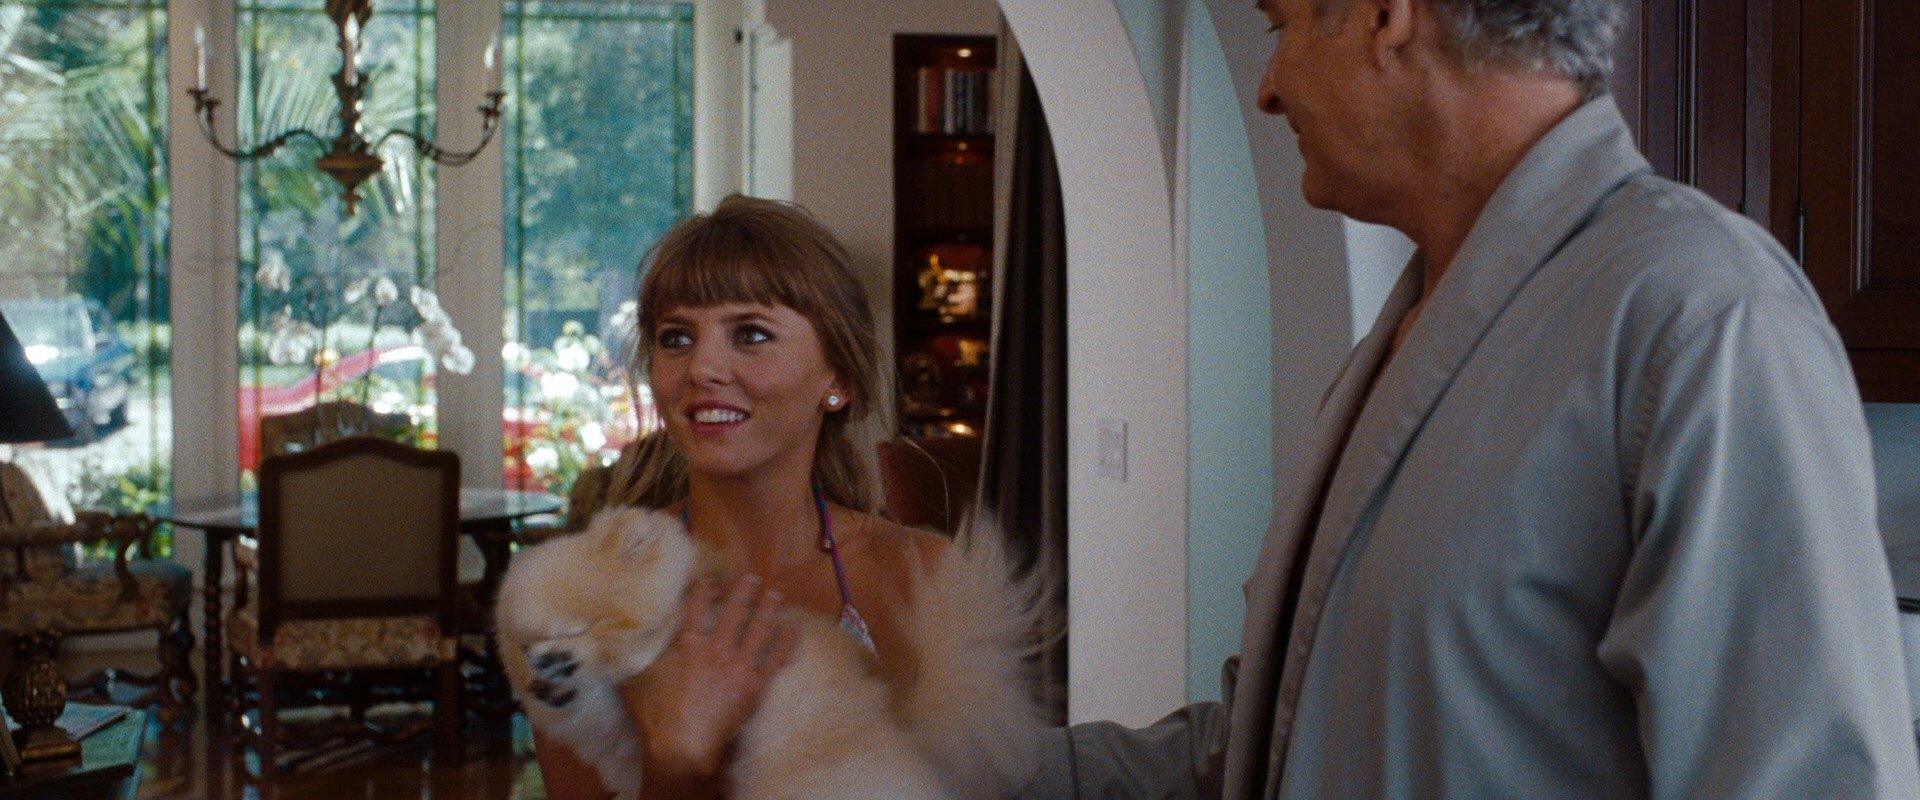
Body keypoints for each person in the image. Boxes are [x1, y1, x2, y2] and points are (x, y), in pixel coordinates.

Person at [1025, 0, 1920, 797]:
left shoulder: (1705, 319)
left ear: (1385, 16)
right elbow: (1279, 754)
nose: (1266, 89)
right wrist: (989, 764)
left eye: (1279, 25)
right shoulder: (1406, 340)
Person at [529, 196, 971, 799]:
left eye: (751, 334)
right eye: (676, 338)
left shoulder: (929, 578)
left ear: (838, 378)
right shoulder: (582, 599)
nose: (702, 368)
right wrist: (677, 762)